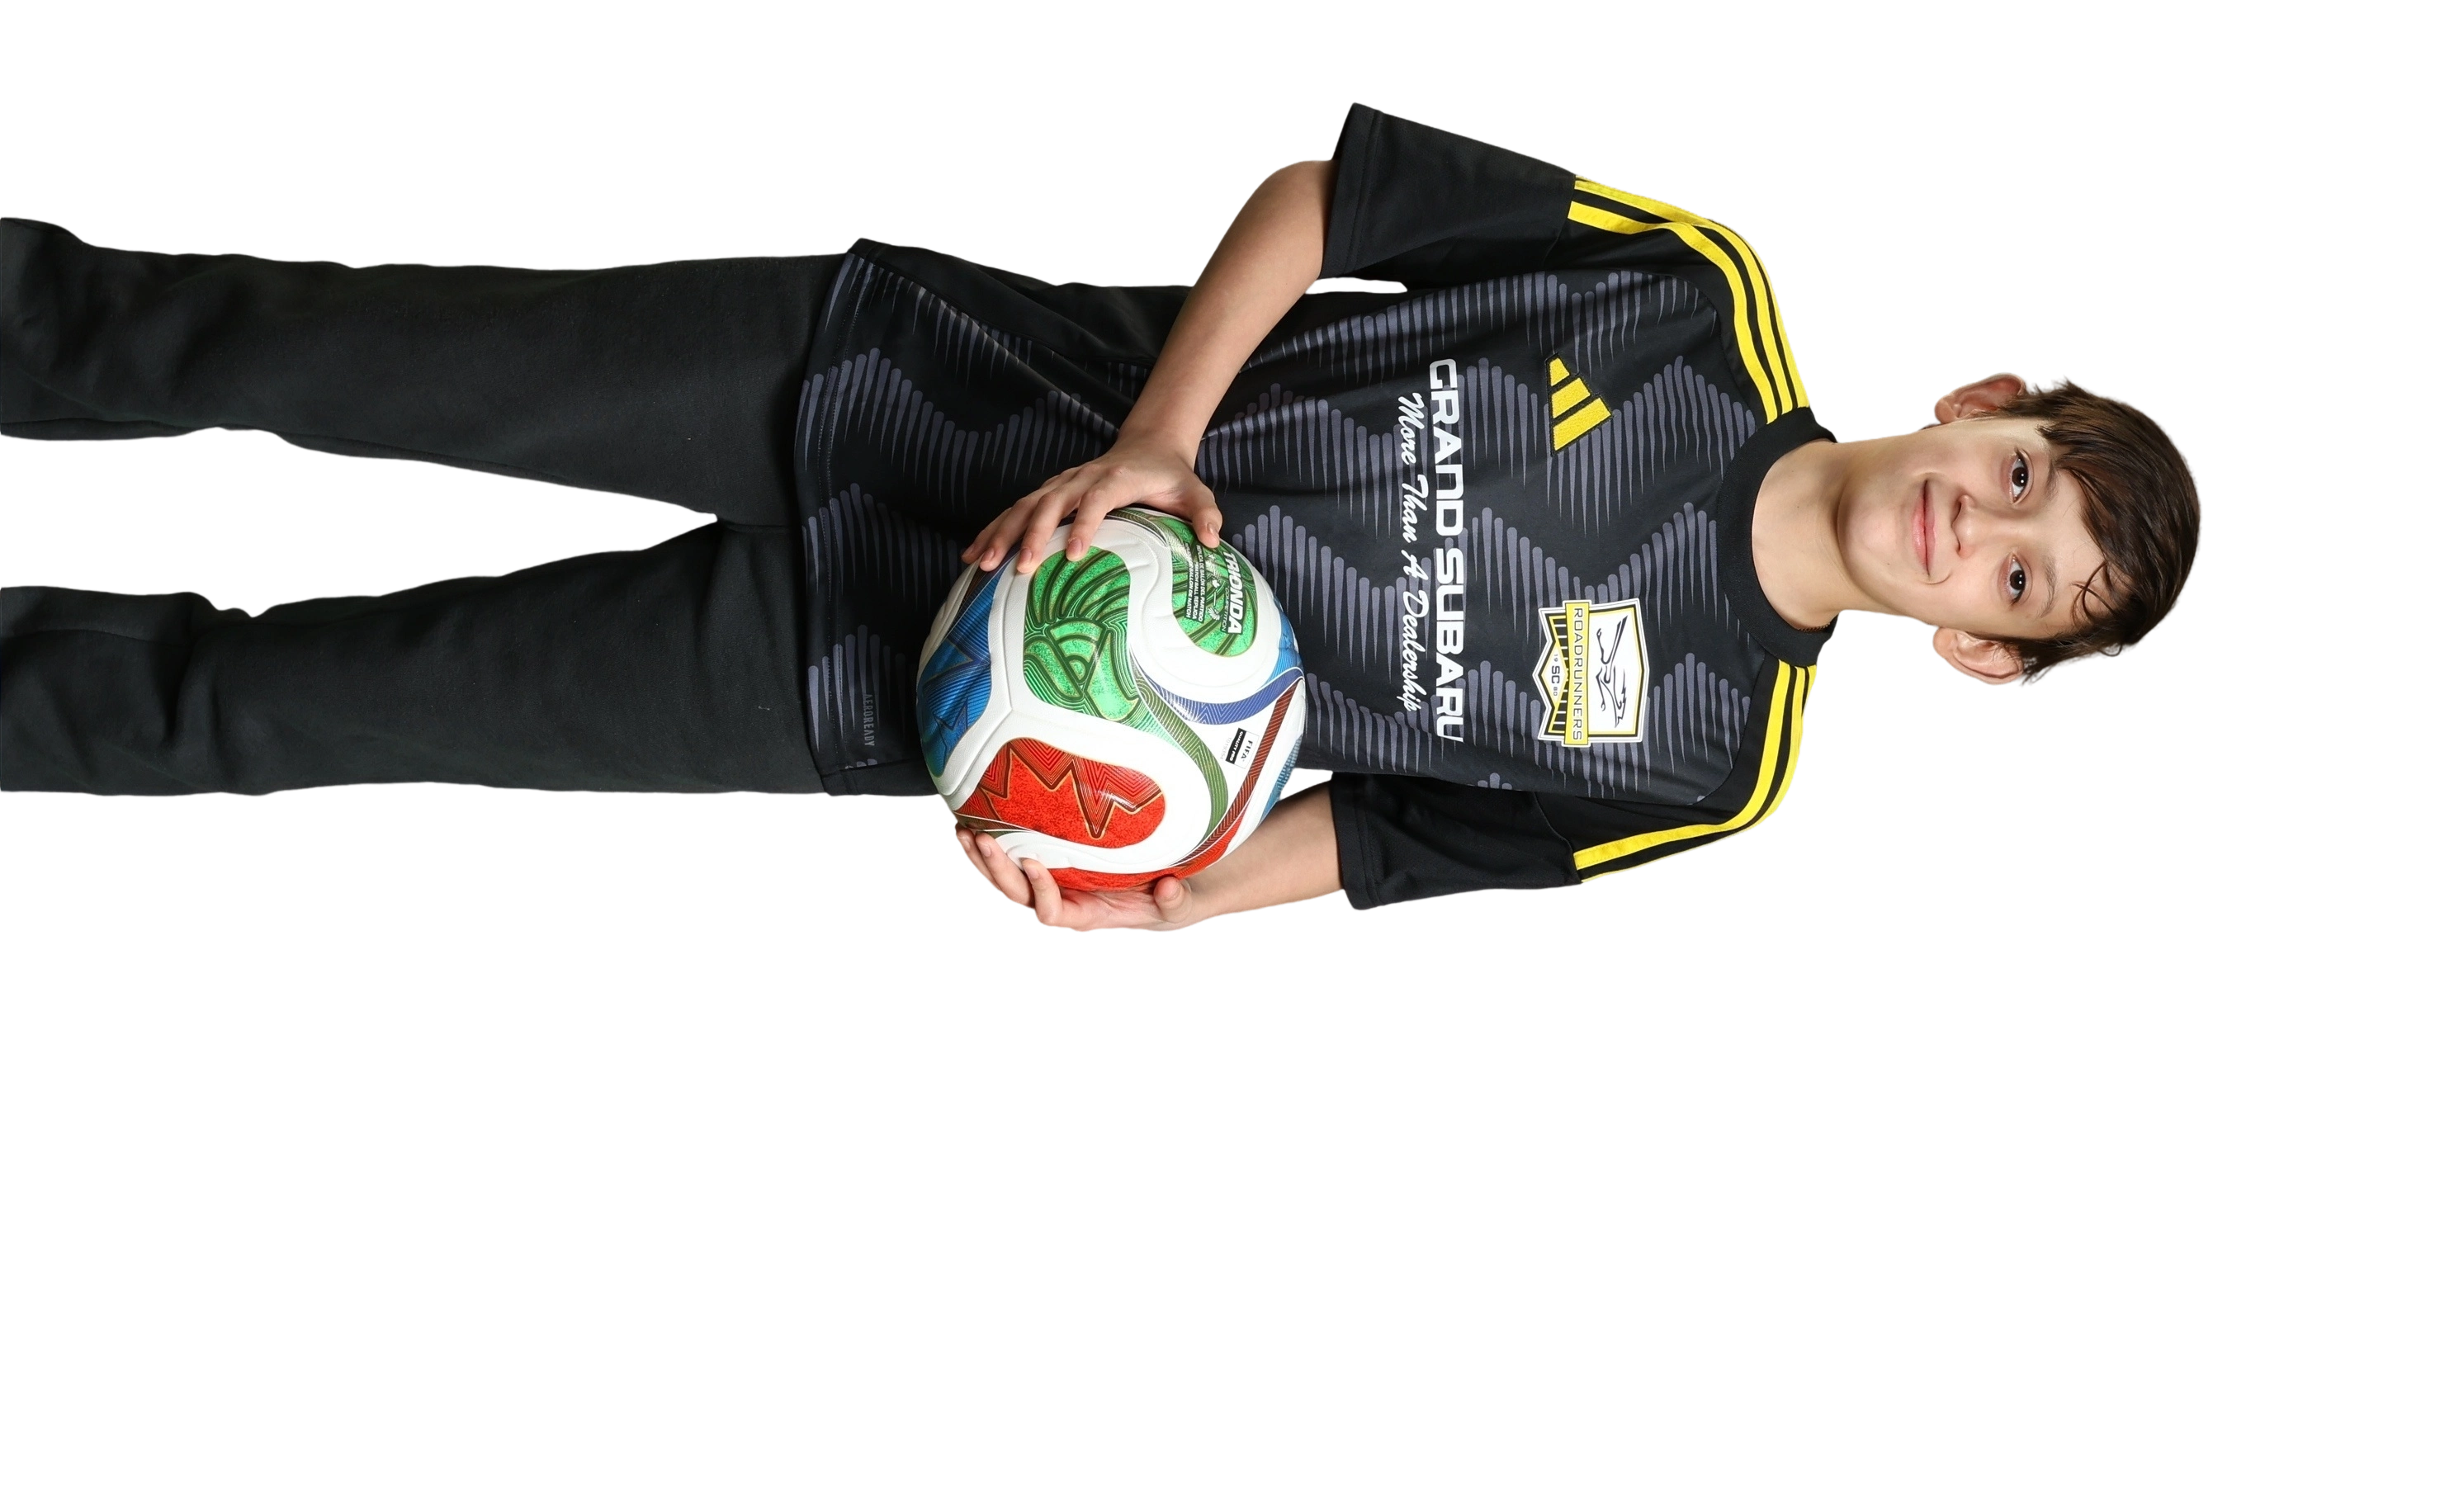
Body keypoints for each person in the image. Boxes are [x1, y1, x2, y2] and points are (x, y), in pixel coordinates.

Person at [1, 103, 2205, 931]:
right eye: (2024, 472)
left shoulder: (1709, 764)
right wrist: (1154, 447)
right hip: (892, 382)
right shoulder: (1692, 296)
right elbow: (1329, 194)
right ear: (1984, 401)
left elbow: (1381, 845)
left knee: (275, 717)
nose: (1981, 527)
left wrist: (1143, 894)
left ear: (1984, 653)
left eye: (2028, 581)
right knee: (278, 348)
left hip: (878, 689)